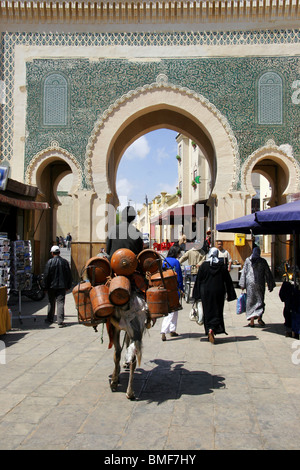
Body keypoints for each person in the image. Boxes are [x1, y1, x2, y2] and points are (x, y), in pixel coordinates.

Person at [193, 247, 236, 343]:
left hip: (206, 292)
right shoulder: (221, 265)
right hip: (219, 291)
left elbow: (199, 280)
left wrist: (196, 294)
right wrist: (231, 294)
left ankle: (209, 329)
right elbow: (228, 281)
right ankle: (214, 328)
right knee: (217, 310)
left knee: (208, 311)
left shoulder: (204, 266)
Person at [239, 247, 275, 327]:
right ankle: (259, 318)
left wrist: (242, 284)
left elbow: (244, 272)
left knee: (250, 301)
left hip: (250, 285)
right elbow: (267, 273)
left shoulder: (248, 260)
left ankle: (252, 320)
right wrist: (270, 284)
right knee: (260, 301)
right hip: (260, 284)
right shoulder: (263, 261)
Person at [44, 245, 73, 327]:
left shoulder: (49, 262)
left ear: (52, 253)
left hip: (51, 286)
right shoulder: (65, 262)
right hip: (62, 286)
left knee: (51, 302)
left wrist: (45, 287)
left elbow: (46, 276)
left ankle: (49, 319)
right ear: (59, 253)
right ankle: (60, 321)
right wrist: (68, 286)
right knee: (60, 303)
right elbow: (69, 275)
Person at [161, 245, 184, 341]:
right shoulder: (176, 262)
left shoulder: (164, 261)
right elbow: (179, 276)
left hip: (165, 287)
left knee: (174, 310)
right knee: (172, 310)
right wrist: (181, 289)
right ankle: (164, 330)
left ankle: (172, 330)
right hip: (174, 289)